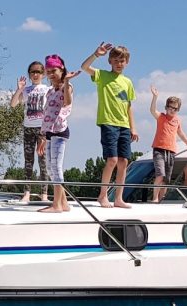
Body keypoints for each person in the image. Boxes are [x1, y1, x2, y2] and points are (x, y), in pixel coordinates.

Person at [81, 42, 139, 208]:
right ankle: (102, 195)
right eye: (116, 60)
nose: (119, 63)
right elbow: (84, 67)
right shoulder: (102, 75)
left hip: (124, 125)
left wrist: (133, 127)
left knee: (124, 161)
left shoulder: (128, 82)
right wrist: (96, 54)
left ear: (127, 62)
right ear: (110, 61)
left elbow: (129, 106)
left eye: (122, 61)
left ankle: (119, 198)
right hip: (108, 122)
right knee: (112, 160)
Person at [148, 85, 187, 203]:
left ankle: (161, 199)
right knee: (160, 174)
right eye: (170, 107)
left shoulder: (177, 120)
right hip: (159, 150)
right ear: (166, 107)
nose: (172, 110)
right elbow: (152, 110)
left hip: (171, 151)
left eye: (175, 109)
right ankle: (155, 198)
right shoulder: (161, 117)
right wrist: (155, 97)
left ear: (178, 110)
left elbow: (181, 133)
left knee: (167, 179)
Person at [8, 61, 50, 203]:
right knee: (28, 161)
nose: (35, 74)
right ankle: (26, 192)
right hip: (28, 128)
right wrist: (19, 89)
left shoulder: (47, 89)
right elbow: (13, 104)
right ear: (29, 74)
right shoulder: (26, 90)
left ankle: (44, 194)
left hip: (42, 129)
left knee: (43, 161)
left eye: (38, 71)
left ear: (43, 74)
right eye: (33, 72)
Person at [37, 54, 73, 213]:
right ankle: (63, 203)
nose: (51, 74)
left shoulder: (66, 87)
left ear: (62, 69)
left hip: (60, 131)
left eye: (54, 71)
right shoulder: (50, 91)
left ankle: (56, 205)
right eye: (49, 71)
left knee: (56, 167)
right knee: (50, 168)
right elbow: (47, 113)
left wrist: (67, 81)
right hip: (49, 132)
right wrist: (43, 136)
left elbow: (67, 102)